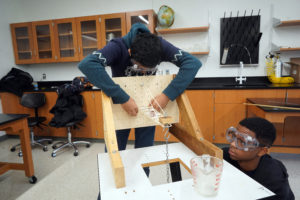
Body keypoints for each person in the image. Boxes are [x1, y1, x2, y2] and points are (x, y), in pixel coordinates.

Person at [223, 117, 294, 200]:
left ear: (262, 151)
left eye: (242, 142)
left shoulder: (273, 178)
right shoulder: (226, 155)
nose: (233, 144)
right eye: (234, 136)